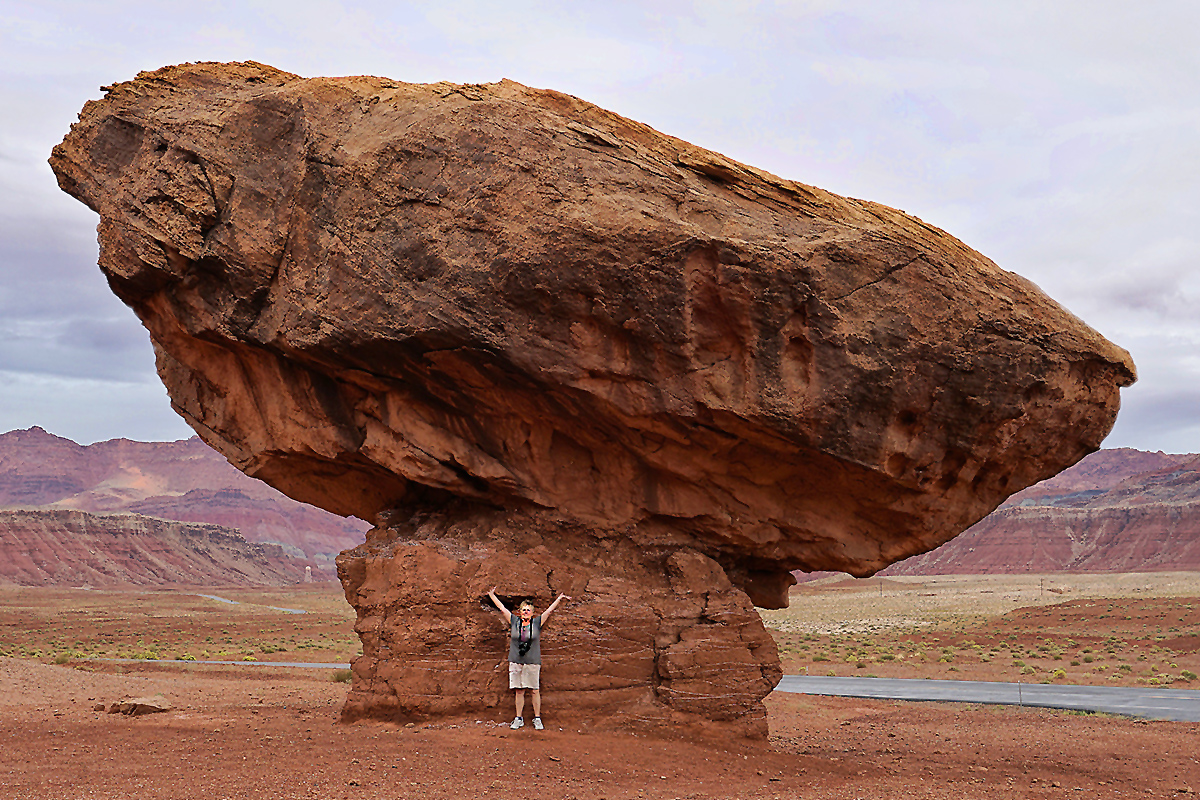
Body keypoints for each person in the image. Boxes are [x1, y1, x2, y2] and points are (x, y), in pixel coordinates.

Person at [487, 586, 570, 731]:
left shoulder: (537, 623)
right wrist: (491, 595)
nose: (526, 612)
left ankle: (537, 718)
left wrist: (559, 599)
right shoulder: (514, 621)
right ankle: (518, 718)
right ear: (519, 612)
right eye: (523, 609)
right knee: (519, 690)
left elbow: (549, 612)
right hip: (516, 661)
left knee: (534, 690)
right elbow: (502, 609)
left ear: (532, 613)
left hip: (532, 661)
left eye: (528, 610)